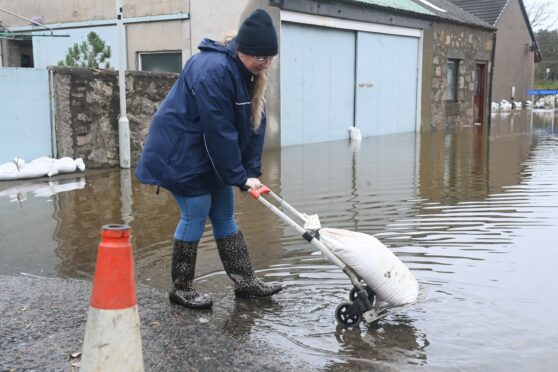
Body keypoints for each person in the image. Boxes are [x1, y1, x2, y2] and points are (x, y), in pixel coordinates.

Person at [135, 9, 282, 309]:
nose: (266, 63)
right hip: (180, 151)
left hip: (207, 151)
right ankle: (181, 288)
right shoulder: (212, 69)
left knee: (225, 211)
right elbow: (219, 129)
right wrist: (238, 176)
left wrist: (249, 172)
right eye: (261, 57)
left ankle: (246, 283)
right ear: (244, 50)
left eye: (271, 57)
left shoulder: (251, 73)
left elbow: (255, 125)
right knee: (196, 210)